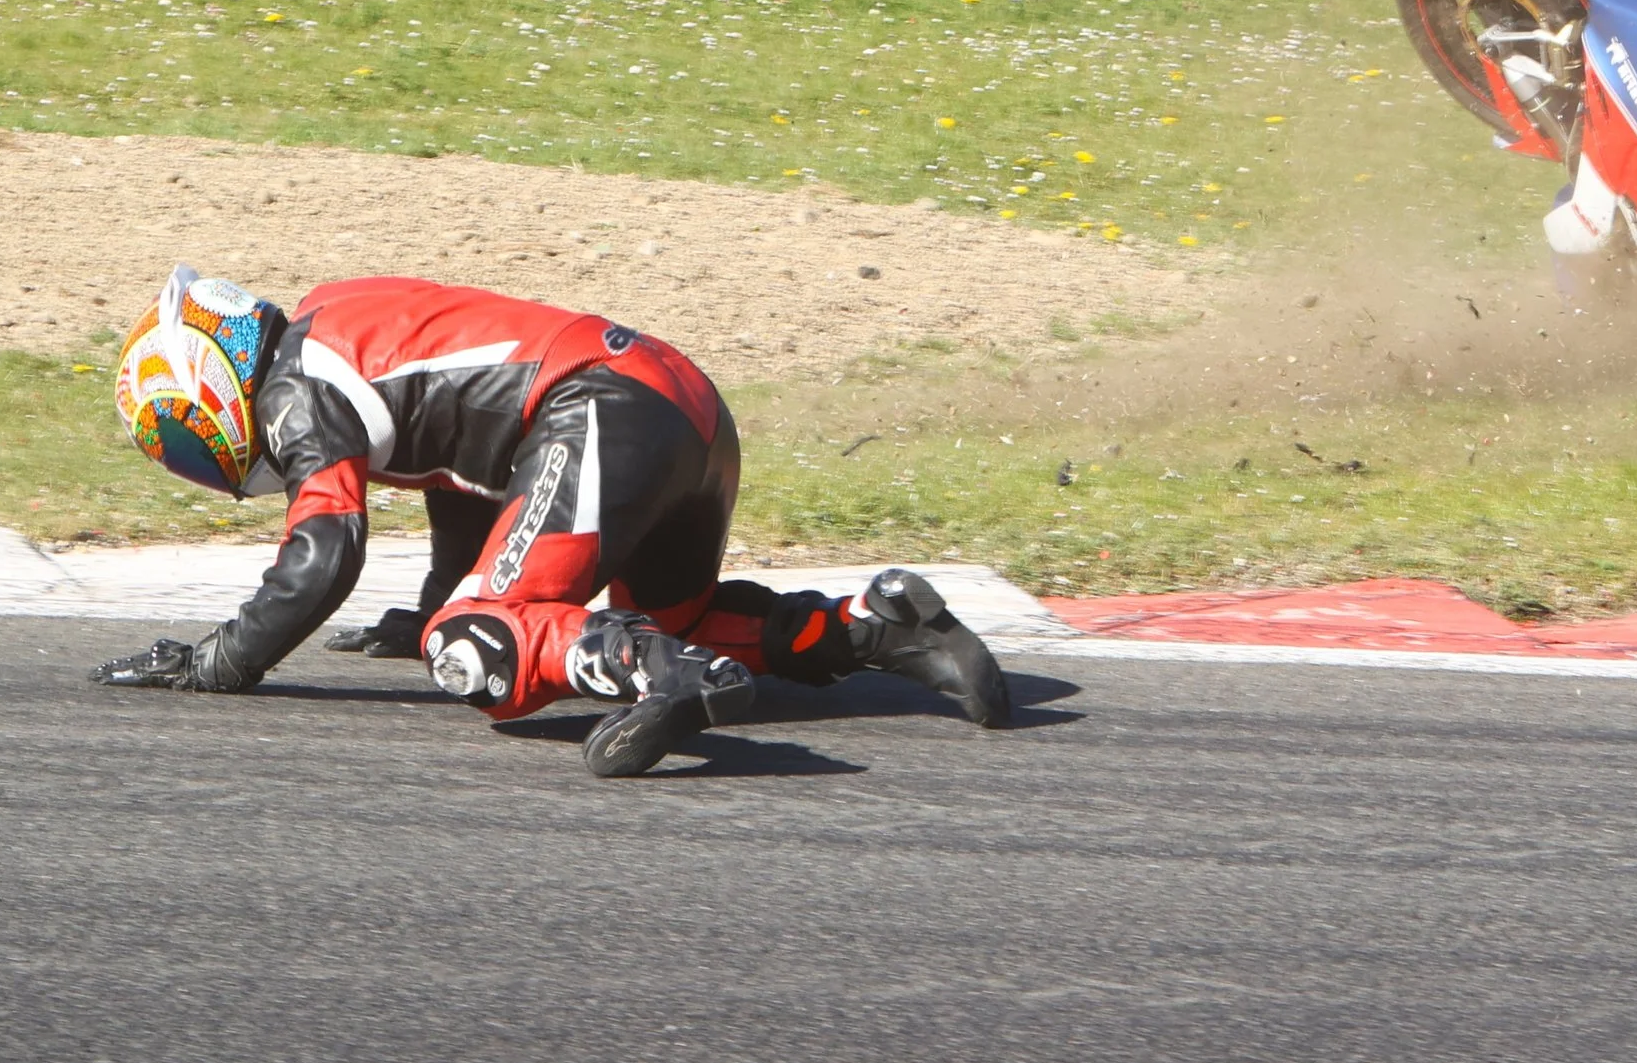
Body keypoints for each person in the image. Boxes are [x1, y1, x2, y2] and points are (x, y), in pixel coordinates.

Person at [91, 265, 1009, 775]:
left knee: (476, 644)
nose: (189, 455)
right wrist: (424, 605)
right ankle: (873, 626)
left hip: (598, 406)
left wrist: (222, 661)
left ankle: (663, 674)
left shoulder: (297, 392)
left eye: (176, 436)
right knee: (678, 610)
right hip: (678, 402)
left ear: (207, 393)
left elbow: (325, 547)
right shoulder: (337, 317)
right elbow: (466, 476)